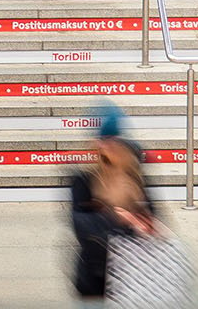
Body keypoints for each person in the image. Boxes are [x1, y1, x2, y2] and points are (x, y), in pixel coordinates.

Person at [68, 108, 158, 299]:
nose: (110, 147)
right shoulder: (85, 179)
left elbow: (153, 223)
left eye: (115, 141)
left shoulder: (137, 178)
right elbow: (81, 226)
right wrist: (121, 218)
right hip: (95, 277)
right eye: (105, 141)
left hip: (133, 277)